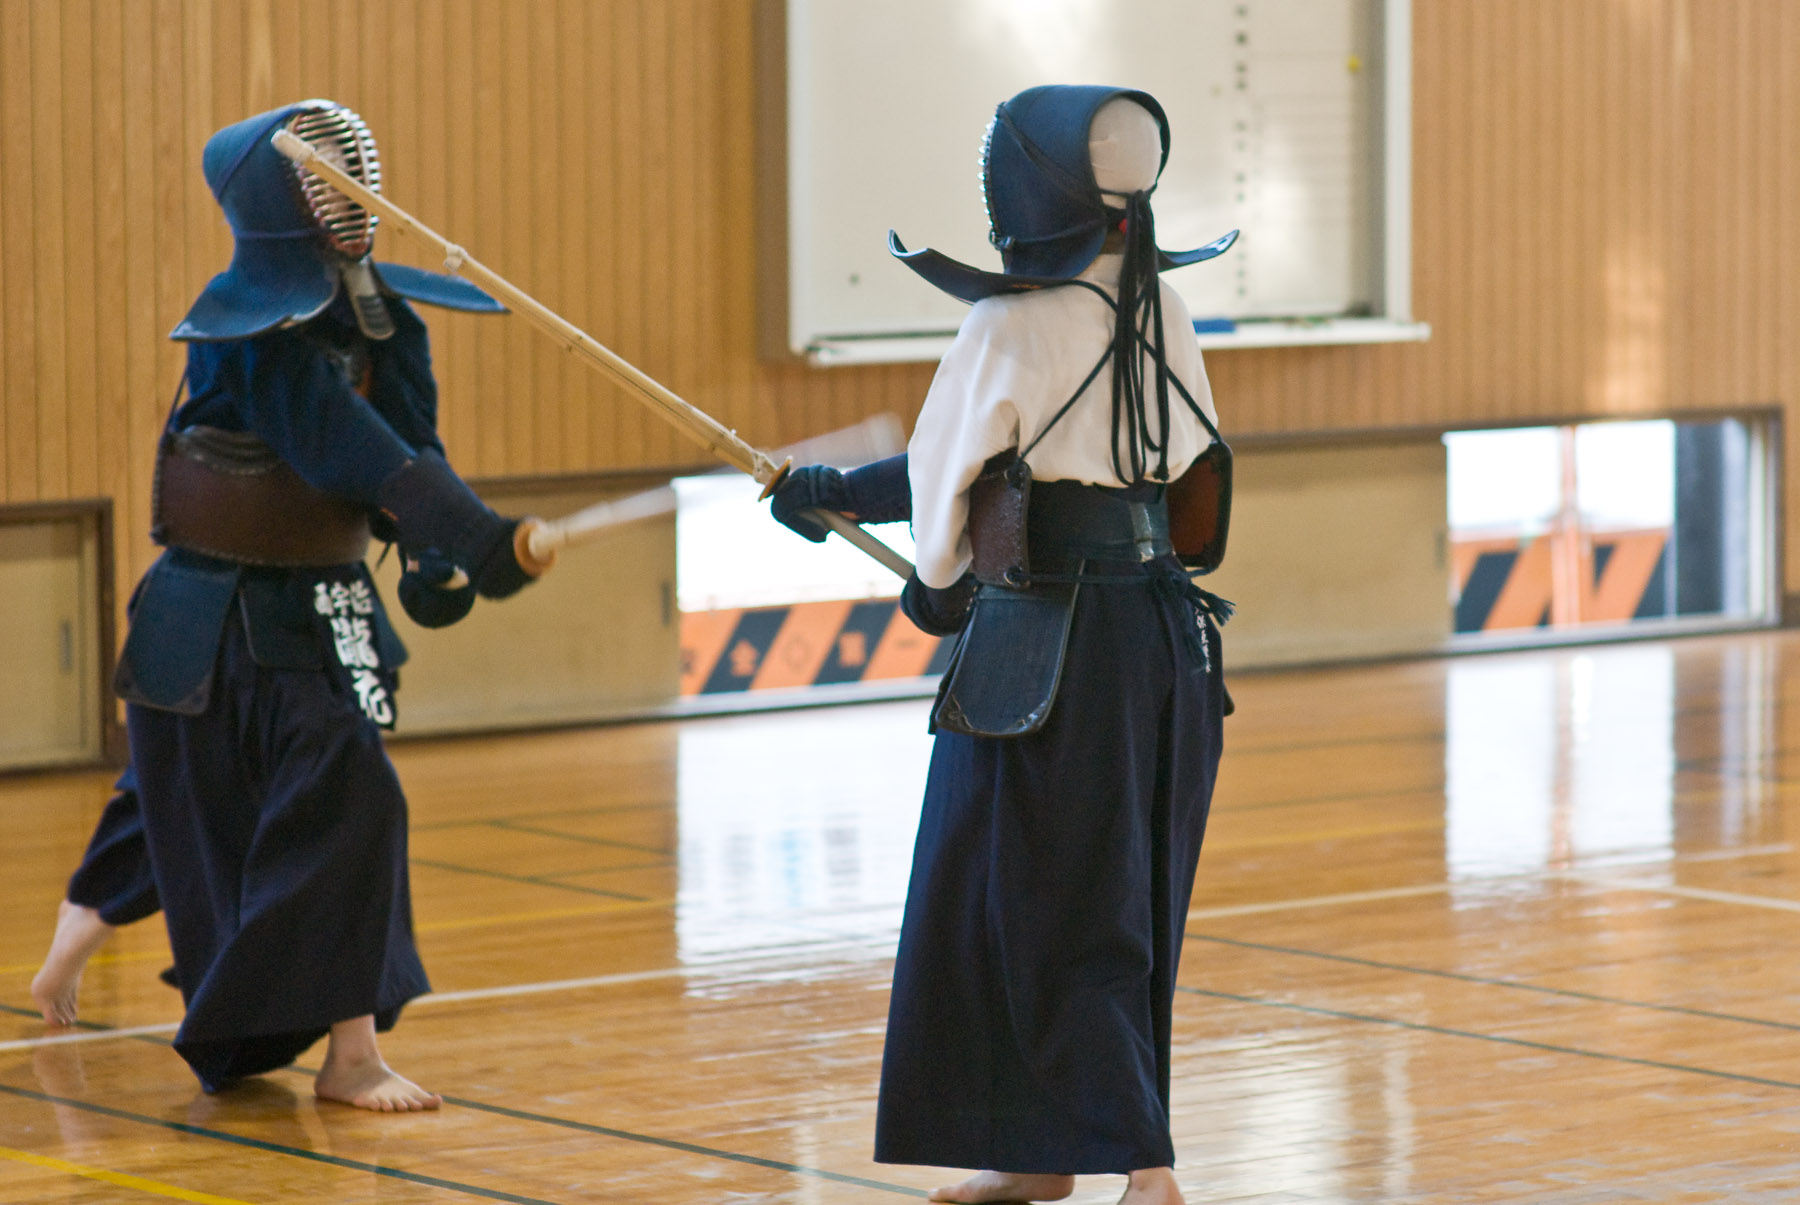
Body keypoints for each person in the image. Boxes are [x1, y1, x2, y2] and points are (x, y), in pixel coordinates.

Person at [770, 86, 1235, 1204]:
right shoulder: (1155, 311)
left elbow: (950, 488)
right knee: (1117, 892)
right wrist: (829, 490)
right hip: (1163, 642)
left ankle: (1148, 1167)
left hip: (1051, 651)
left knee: (1034, 898)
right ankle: (1039, 1153)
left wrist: (932, 594)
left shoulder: (1007, 323)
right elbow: (1132, 470)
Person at [107, 99, 549, 1111]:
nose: (347, 195)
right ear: (280, 199)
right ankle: (172, 996)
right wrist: (478, 536)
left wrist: (437, 548)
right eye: (323, 177)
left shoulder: (381, 315)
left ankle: (350, 1049)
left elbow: (406, 449)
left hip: (321, 609)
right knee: (192, 831)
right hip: (206, 618)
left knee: (356, 793)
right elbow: (339, 442)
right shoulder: (242, 329)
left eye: (354, 172)